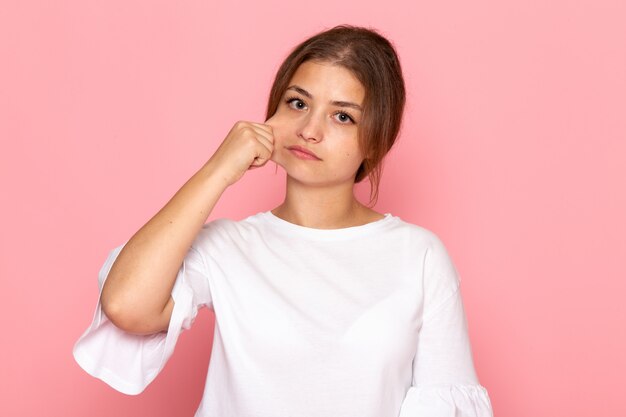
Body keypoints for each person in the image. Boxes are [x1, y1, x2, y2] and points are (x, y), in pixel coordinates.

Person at [73, 25, 494, 417]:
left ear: (377, 140)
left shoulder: (418, 256)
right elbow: (127, 305)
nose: (310, 129)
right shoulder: (228, 247)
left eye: (342, 115)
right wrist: (218, 170)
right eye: (298, 103)